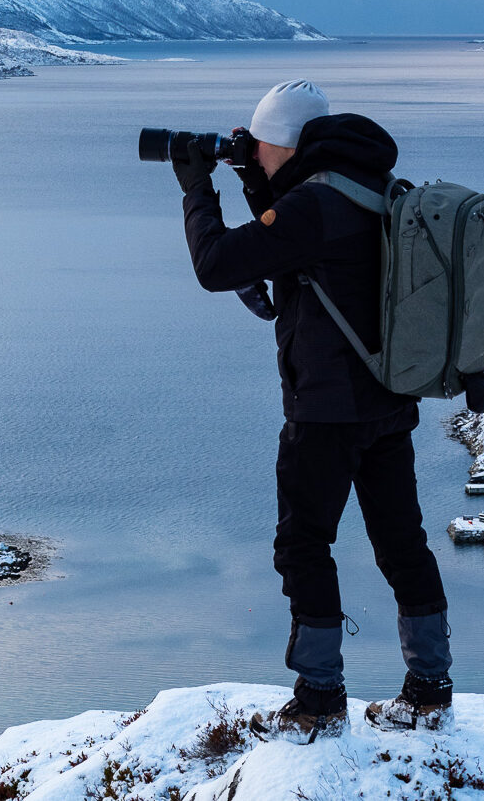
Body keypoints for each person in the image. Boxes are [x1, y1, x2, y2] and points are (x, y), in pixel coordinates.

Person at [174, 80, 454, 739]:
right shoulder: (374, 186)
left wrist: (196, 188)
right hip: (389, 404)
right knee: (402, 545)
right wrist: (253, 178)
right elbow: (299, 239)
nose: (259, 157)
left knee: (303, 547)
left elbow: (217, 263)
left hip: (326, 412)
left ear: (285, 144)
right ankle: (430, 688)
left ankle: (320, 699)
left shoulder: (313, 205)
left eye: (263, 147)